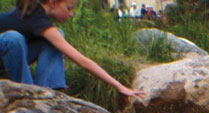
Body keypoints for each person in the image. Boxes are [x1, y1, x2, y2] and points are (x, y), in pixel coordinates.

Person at [0, 0, 143, 96]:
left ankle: (49, 90)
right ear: (53, 3)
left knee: (57, 36)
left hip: (10, 56)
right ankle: (28, 94)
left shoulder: (37, 15)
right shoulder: (35, 16)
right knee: (13, 38)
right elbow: (82, 61)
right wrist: (118, 86)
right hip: (4, 55)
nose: (71, 14)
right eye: (69, 8)